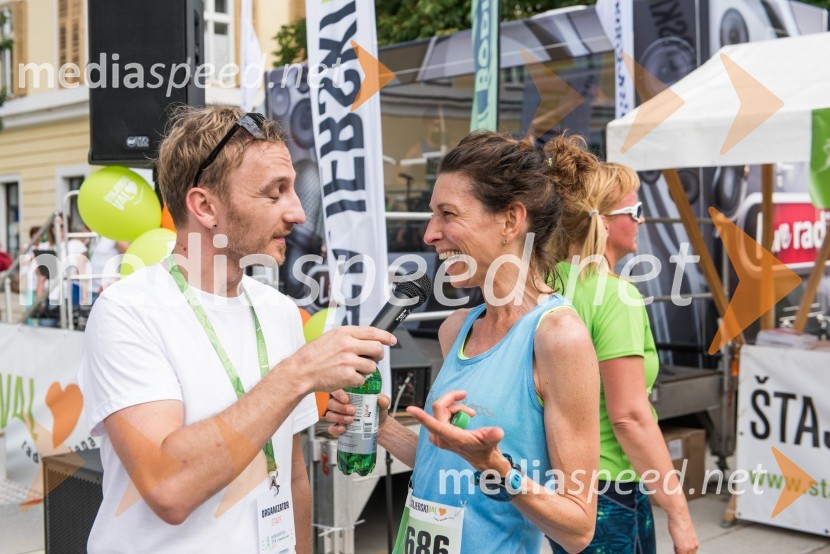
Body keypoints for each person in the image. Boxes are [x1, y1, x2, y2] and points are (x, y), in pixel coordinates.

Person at [77, 105, 396, 553]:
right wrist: (298, 373)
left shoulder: (280, 311)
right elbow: (169, 489)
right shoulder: (127, 311)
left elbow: (291, 474)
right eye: (275, 193)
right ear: (205, 206)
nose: (299, 213)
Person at [327, 131, 601, 553]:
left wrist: (497, 470)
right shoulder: (456, 328)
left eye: (447, 214)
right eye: (431, 215)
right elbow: (449, 469)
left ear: (511, 220)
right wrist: (383, 430)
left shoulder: (557, 336)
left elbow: (579, 528)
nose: (429, 234)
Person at [549, 162, 699, 554]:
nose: (642, 219)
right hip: (606, 490)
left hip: (549, 485)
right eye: (633, 211)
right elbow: (629, 417)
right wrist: (678, 510)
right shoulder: (615, 296)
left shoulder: (539, 286)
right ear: (601, 221)